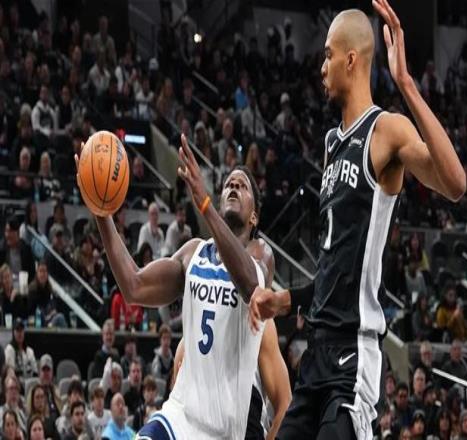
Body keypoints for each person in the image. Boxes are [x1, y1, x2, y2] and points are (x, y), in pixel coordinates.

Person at [249, 2, 466, 437]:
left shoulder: (385, 130)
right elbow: (335, 266)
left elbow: (455, 183)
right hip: (316, 355)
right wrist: (284, 301)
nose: (322, 66)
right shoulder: (331, 144)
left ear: (351, 60)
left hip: (354, 354)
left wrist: (406, 84)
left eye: (328, 55)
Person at [76, 133, 288, 440]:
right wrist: (102, 213)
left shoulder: (261, 254)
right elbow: (134, 285)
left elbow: (251, 286)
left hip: (226, 428)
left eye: (242, 186)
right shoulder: (193, 253)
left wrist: (205, 206)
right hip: (180, 415)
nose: (233, 186)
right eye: (229, 184)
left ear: (254, 216)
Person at [27, 260, 67, 328]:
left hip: (49, 320)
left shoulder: (49, 288)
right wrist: (48, 315)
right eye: (41, 271)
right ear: (37, 273)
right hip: (37, 322)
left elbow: (55, 307)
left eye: (45, 271)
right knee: (60, 318)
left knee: (60, 316)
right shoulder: (32, 290)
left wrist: (53, 312)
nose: (43, 274)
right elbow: (33, 311)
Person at [38, 354, 62, 420]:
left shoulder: (57, 392)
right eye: (43, 370)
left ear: (52, 373)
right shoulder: (34, 393)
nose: (46, 373)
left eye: (48, 370)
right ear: (39, 373)